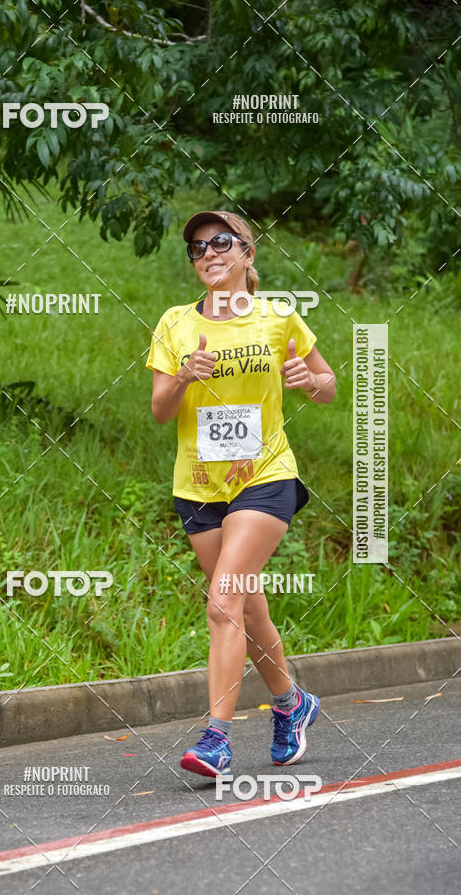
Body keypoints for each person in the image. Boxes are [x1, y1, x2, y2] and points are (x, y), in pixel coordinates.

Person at [145, 210, 336, 778]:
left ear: (248, 254)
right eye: (198, 248)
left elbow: (327, 384)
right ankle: (291, 703)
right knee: (247, 606)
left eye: (221, 243)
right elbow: (159, 411)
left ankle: (216, 739)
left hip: (266, 476)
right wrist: (183, 374)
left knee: (223, 601)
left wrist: (310, 382)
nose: (209, 254)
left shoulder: (278, 318)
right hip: (199, 487)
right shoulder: (175, 323)